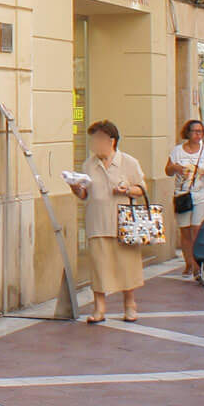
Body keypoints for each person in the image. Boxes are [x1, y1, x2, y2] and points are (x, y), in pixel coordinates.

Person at [73, 120, 150, 322]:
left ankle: (130, 305)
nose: (95, 144)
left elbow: (142, 189)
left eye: (99, 139)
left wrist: (127, 190)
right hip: (97, 222)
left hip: (123, 223)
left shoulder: (128, 162)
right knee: (98, 267)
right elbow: (84, 194)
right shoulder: (88, 164)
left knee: (127, 266)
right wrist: (75, 187)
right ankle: (99, 308)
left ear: (112, 141)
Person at [167, 119, 204, 282]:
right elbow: (167, 170)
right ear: (187, 132)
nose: (198, 134)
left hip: (202, 195)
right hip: (182, 195)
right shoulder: (177, 151)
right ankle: (188, 262)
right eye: (195, 131)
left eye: (201, 131)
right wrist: (175, 168)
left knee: (197, 230)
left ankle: (196, 264)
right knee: (185, 231)